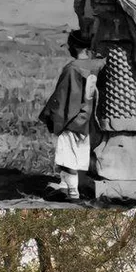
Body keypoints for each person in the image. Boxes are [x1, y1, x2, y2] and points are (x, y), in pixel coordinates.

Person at [38, 31, 102, 201]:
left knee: (68, 159)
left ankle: (73, 193)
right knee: (75, 155)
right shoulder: (94, 65)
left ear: (74, 46)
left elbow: (62, 98)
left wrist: (52, 117)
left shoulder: (72, 68)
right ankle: (64, 187)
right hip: (85, 118)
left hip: (72, 119)